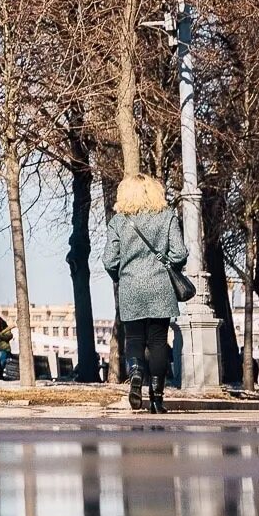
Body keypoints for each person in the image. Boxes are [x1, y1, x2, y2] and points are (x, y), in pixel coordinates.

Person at [104, 174, 190, 415]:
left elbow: (109, 260)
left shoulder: (119, 221)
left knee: (133, 340)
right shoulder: (167, 216)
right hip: (160, 287)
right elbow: (180, 253)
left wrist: (120, 276)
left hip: (131, 287)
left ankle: (135, 373)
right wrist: (167, 264)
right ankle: (157, 399)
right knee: (159, 342)